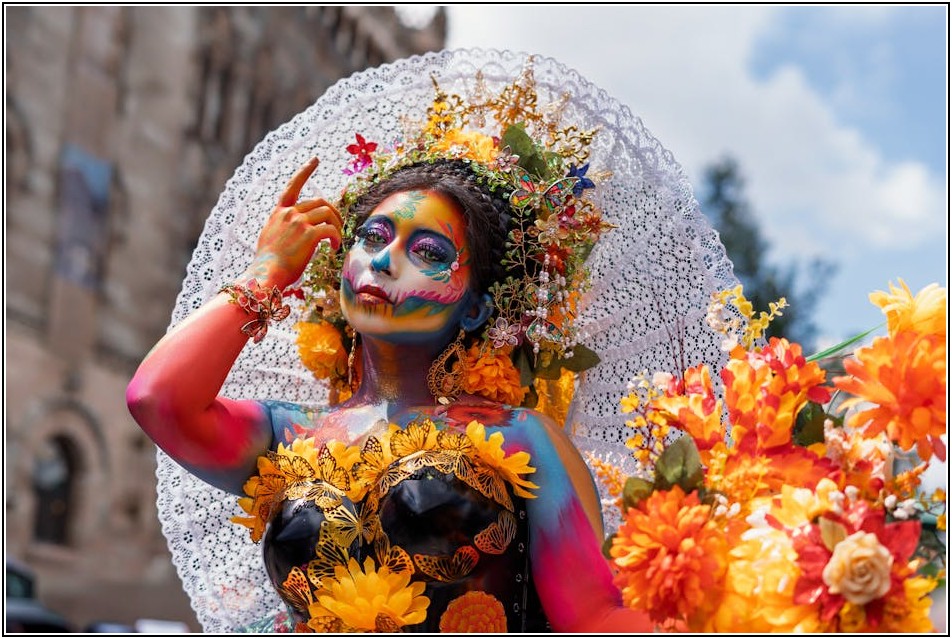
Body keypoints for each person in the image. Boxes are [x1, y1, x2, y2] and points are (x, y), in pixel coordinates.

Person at [129, 49, 737, 633]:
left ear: (477, 308)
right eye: (371, 237)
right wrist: (266, 273)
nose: (384, 261)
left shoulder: (518, 437)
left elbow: (594, 618)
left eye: (428, 252)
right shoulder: (288, 435)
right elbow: (158, 400)